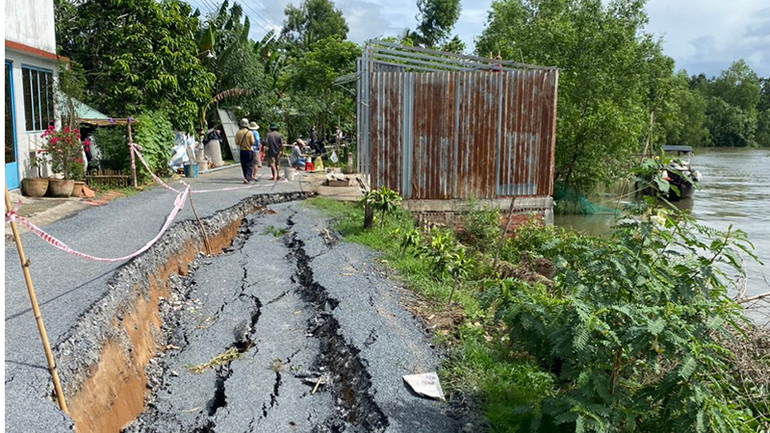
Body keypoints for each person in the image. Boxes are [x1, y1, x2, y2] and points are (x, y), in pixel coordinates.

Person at [235, 118, 255, 183]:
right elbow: (252, 142)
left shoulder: (238, 132)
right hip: (249, 150)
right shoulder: (250, 133)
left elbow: (236, 142)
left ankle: (245, 177)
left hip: (242, 150)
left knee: (244, 165)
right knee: (249, 164)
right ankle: (247, 178)